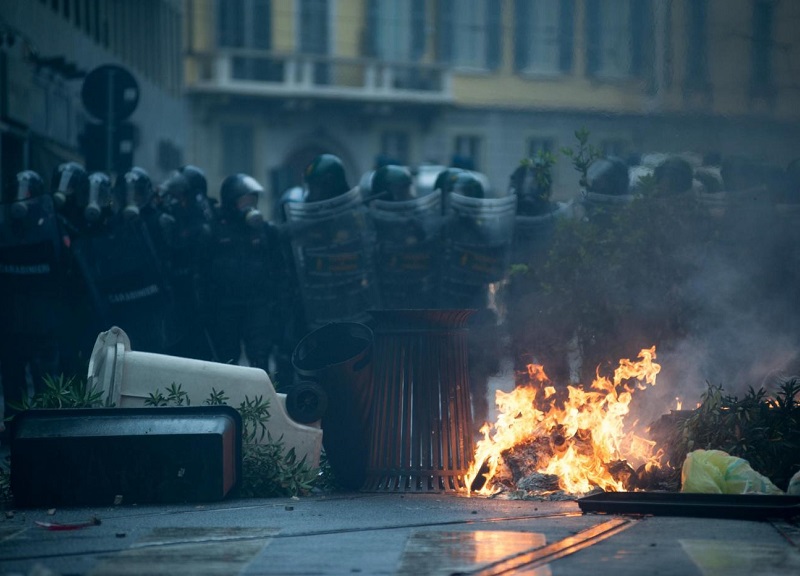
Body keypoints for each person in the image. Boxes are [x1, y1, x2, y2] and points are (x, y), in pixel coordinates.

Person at [0, 170, 65, 426]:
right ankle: (14, 431)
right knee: (13, 385)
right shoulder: (4, 228)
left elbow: (64, 270)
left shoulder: (52, 227)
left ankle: (44, 431)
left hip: (42, 323)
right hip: (11, 322)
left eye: (27, 193)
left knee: (45, 386)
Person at [207, 173, 284, 372]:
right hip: (226, 306)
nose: (250, 205)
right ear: (231, 202)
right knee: (227, 360)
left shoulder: (264, 231)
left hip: (257, 305)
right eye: (245, 200)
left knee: (260, 357)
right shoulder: (215, 230)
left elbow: (277, 266)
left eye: (253, 200)